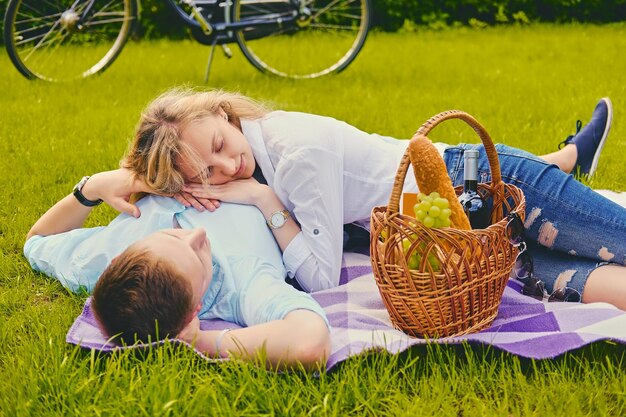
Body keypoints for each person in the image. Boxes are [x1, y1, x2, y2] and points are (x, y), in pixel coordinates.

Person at [122, 89, 626, 310]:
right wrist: (104, 187)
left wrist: (259, 197)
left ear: (223, 112)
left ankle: (559, 162)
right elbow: (127, 178)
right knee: (579, 281)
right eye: (208, 175)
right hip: (456, 239)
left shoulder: (294, 156)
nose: (228, 169)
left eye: (218, 147)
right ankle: (565, 158)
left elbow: (320, 277)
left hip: (472, 185)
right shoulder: (253, 156)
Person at [24, 168, 330, 370]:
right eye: (199, 258)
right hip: (270, 173)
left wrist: (91, 188)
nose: (198, 235)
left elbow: (38, 239)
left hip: (192, 155)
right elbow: (308, 343)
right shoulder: (244, 285)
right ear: (194, 311)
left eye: (171, 236)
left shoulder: (101, 260)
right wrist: (204, 342)